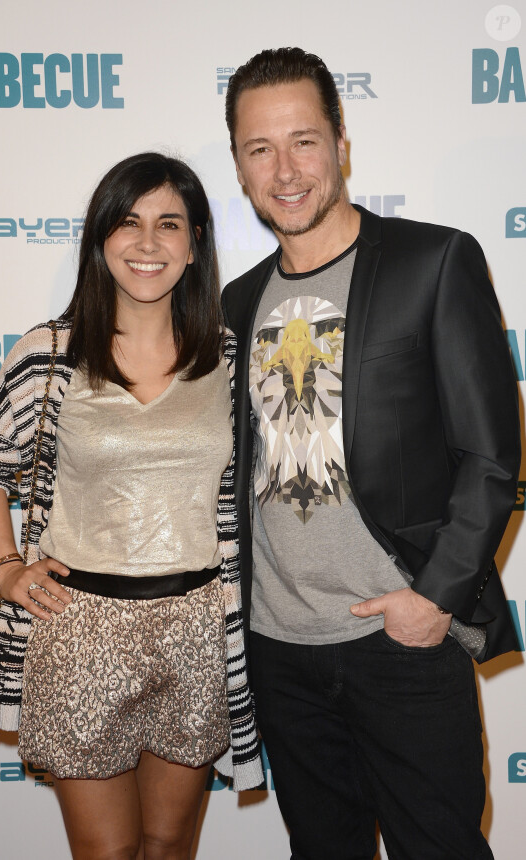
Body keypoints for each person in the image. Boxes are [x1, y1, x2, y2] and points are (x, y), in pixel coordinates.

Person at [221, 47, 520, 860]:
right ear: (240, 167)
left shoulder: (434, 261)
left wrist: (433, 600)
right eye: (260, 149)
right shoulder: (237, 300)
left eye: (304, 141)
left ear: (342, 144)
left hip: (402, 642)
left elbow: (493, 454)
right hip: (281, 649)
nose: (285, 170)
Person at [0, 152, 262, 860]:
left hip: (195, 629)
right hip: (82, 628)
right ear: (100, 240)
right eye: (128, 223)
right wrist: (4, 567)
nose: (147, 243)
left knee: (168, 843)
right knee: (107, 853)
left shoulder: (228, 357)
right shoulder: (52, 353)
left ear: (195, 244)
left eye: (168, 224)